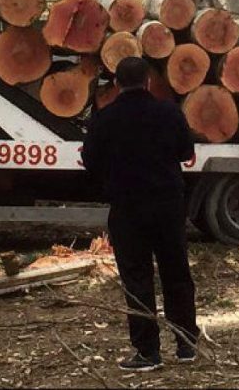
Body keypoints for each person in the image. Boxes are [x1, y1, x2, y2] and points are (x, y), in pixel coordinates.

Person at [82, 56, 199, 371]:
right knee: (176, 273)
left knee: (137, 278)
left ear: (117, 85)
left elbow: (90, 163)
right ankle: (186, 344)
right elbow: (187, 152)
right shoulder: (169, 113)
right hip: (168, 205)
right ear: (148, 81)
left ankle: (148, 352)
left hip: (128, 208)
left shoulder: (104, 119)